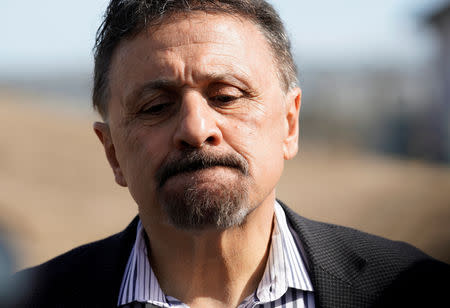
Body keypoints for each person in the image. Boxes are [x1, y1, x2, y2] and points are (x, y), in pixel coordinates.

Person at [12, 0, 449, 307]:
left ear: (289, 123)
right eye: (156, 107)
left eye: (225, 95)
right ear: (112, 154)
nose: (195, 129)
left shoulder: (411, 289)